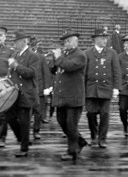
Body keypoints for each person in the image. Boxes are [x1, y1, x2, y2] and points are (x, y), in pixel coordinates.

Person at [50, 31, 88, 163]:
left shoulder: (80, 55)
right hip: (62, 96)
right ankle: (80, 141)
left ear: (75, 41)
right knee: (61, 121)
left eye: (68, 41)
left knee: (71, 125)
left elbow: (70, 66)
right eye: (64, 42)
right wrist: (54, 59)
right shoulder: (64, 54)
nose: (65, 44)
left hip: (74, 96)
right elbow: (54, 70)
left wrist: (59, 58)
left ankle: (72, 152)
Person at [2, 30, 39, 158]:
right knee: (9, 116)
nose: (15, 44)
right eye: (14, 42)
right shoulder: (15, 54)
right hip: (15, 93)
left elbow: (31, 73)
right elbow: (12, 73)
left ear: (24, 41)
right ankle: (23, 138)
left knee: (24, 121)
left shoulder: (32, 55)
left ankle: (24, 148)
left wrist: (16, 66)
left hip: (27, 93)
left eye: (17, 42)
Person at [84, 28, 121, 148]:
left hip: (106, 88)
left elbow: (116, 71)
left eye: (106, 38)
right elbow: (84, 73)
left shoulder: (111, 53)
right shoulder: (87, 53)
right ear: (95, 39)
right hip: (91, 88)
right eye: (102, 38)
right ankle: (93, 136)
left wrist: (116, 88)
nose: (105, 40)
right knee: (90, 114)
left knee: (105, 114)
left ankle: (102, 138)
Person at [30, 36, 51, 141]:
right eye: (32, 43)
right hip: (27, 88)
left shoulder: (41, 57)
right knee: (25, 112)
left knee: (38, 111)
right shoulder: (23, 55)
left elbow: (46, 72)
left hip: (39, 87)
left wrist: (47, 87)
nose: (34, 45)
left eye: (35, 43)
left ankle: (36, 131)